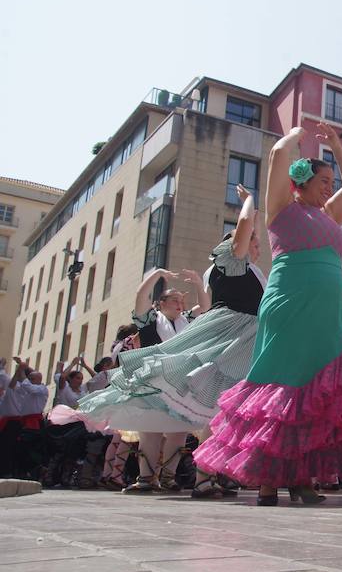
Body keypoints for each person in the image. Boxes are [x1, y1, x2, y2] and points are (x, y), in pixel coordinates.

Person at [193, 121, 342, 507]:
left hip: (326, 314)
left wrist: (336, 146)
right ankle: (267, 480)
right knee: (280, 386)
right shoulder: (281, 208)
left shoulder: (331, 213)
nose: (330, 185)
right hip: (289, 304)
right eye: (323, 178)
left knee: (315, 394)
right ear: (302, 181)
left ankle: (300, 477)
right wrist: (298, 134)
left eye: (331, 179)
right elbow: (279, 155)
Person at [78, 185, 265, 498]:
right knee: (207, 409)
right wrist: (248, 203)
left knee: (205, 412)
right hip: (227, 342)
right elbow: (244, 229)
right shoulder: (230, 261)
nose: (256, 248)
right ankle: (194, 478)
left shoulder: (244, 271)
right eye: (253, 244)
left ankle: (192, 476)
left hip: (238, 343)